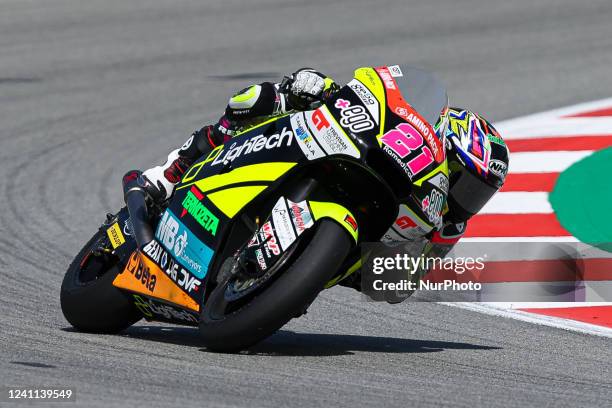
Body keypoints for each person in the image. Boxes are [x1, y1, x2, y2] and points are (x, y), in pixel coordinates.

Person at [141, 68, 510, 298]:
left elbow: (402, 285)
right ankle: (173, 170)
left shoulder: (449, 225)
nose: (466, 199)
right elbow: (376, 102)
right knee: (266, 97)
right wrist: (326, 91)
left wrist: (391, 270)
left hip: (348, 257)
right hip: (349, 161)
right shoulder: (414, 144)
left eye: (480, 193)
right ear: (444, 145)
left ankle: (278, 280)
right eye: (464, 181)